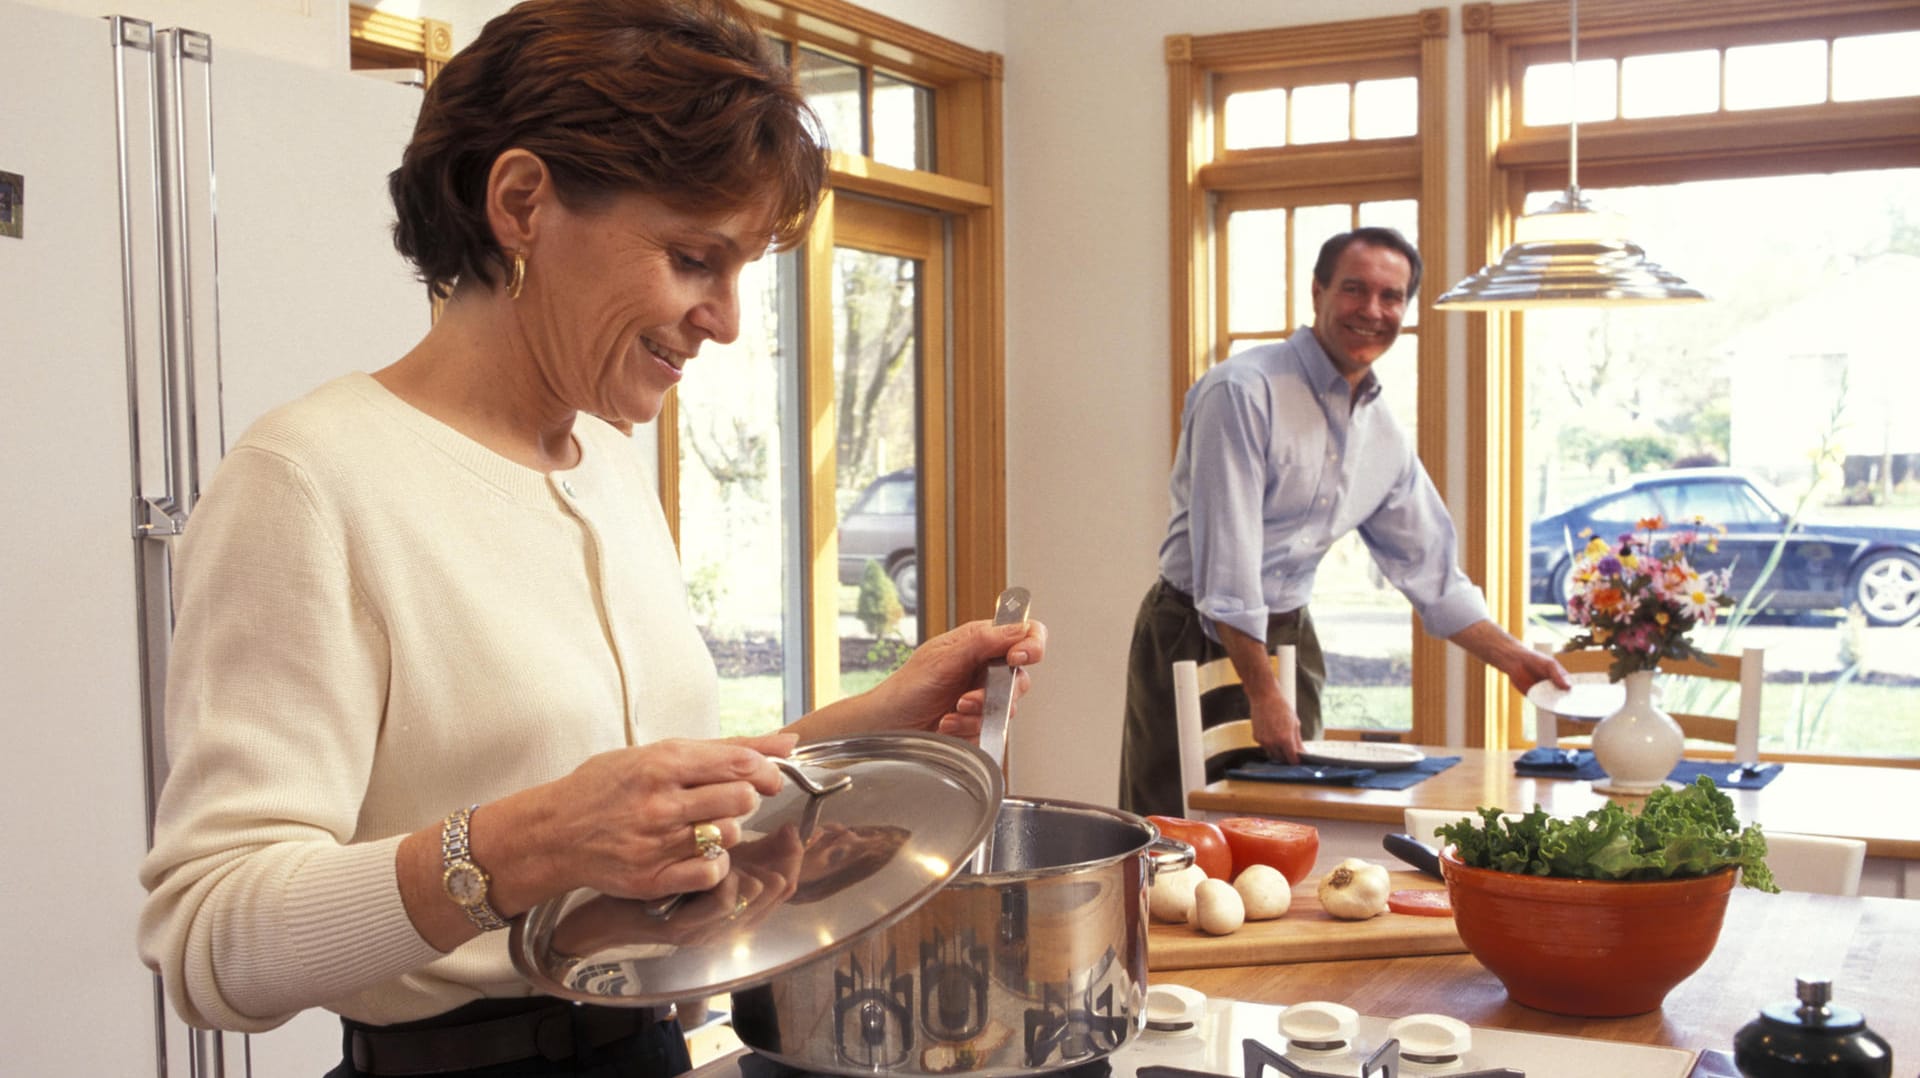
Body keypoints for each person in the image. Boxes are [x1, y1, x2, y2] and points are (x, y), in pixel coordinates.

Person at [136, 2, 1048, 1075]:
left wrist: (867, 726)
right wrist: (523, 845)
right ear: (522, 201)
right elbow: (210, 942)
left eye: (742, 266)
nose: (728, 318)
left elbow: (639, 807)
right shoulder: (310, 482)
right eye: (693, 256)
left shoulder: (608, 463)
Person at [1118, 226, 1563, 819]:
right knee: (1172, 830)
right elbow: (1227, 568)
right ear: (1318, 292)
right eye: (1355, 290)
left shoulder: (1381, 434)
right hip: (1188, 629)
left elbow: (1432, 574)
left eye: (1391, 296)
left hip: (1289, 634)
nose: (1373, 311)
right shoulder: (1243, 392)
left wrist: (1516, 658)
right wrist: (1261, 690)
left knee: (1291, 824)